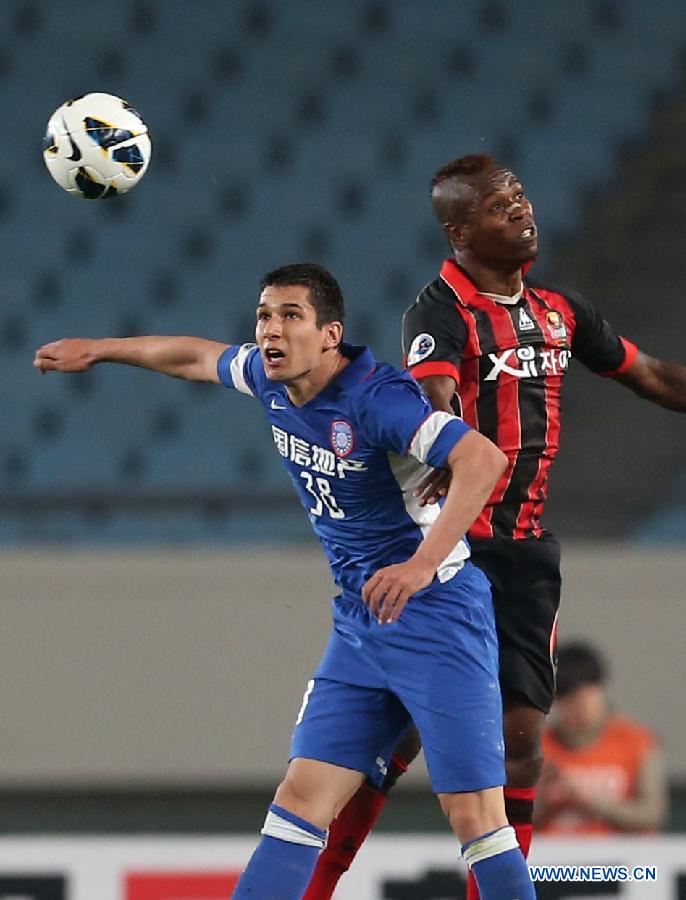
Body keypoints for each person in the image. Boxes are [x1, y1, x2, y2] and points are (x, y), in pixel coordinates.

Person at [34, 262, 536, 900]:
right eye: (264, 316)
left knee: (477, 819)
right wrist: (100, 350)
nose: (271, 331)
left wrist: (418, 564)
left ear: (331, 334)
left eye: (290, 317)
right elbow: (193, 356)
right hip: (362, 620)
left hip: (438, 615)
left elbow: (482, 458)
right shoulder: (274, 383)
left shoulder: (377, 399)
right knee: (301, 796)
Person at [305, 153, 686, 900]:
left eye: (519, 195)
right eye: (497, 205)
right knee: (401, 736)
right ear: (458, 231)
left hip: (525, 554)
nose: (520, 209)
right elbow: (434, 393)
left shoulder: (560, 311)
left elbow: (651, 376)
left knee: (519, 745)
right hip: (454, 553)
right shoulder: (438, 311)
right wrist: (446, 436)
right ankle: (313, 888)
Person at [535, 640, 667, 835]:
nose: (578, 708)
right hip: (551, 860)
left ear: (599, 690)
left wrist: (589, 801)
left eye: (584, 697)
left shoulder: (638, 742)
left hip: (620, 860)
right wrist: (544, 798)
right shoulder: (538, 746)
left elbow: (652, 814)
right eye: (567, 701)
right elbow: (512, 822)